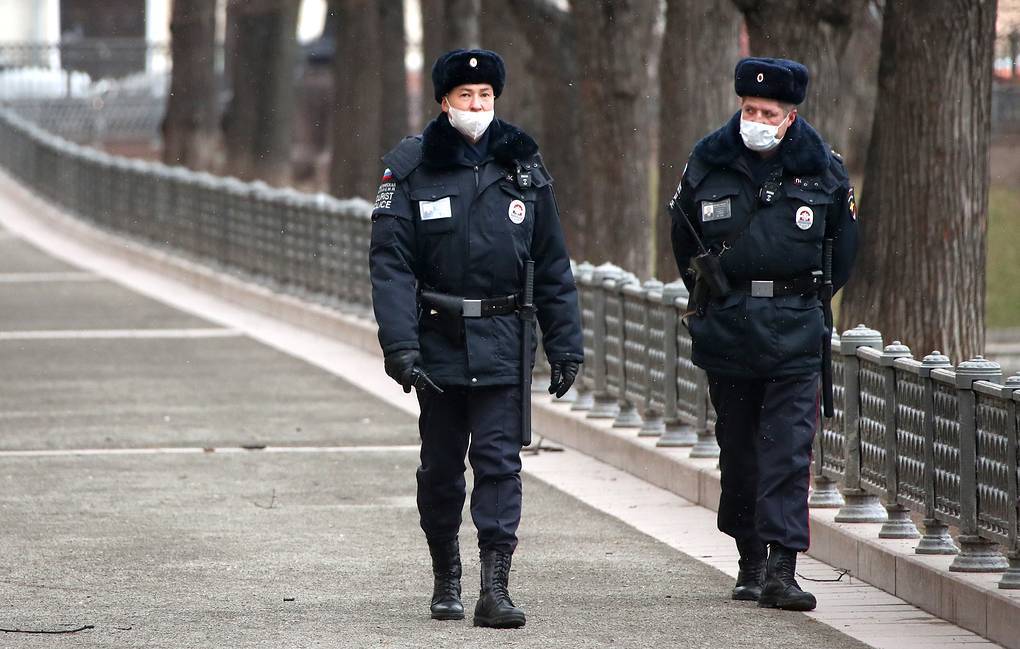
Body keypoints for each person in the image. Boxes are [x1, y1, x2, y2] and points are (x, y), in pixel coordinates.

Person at [368, 48, 583, 628]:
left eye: (485, 96)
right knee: (441, 470)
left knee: (498, 463)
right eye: (466, 97)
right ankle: (446, 575)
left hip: (504, 338)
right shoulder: (410, 168)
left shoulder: (523, 166)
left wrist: (566, 345)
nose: (476, 105)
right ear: (444, 102)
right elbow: (390, 266)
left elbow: (553, 263)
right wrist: (401, 347)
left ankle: (495, 587)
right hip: (437, 342)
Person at [667, 57, 858, 611]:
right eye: (748, 109)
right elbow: (684, 239)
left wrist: (799, 298)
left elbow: (843, 251)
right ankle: (750, 557)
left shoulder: (823, 170)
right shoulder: (708, 162)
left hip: (796, 328)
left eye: (767, 112)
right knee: (742, 452)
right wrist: (715, 294)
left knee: (789, 451)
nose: (756, 118)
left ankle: (782, 566)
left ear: (790, 116)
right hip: (728, 327)